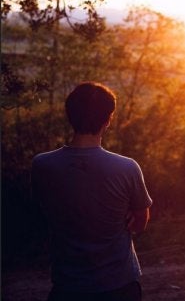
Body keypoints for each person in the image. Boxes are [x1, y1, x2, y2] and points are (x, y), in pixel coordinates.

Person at [31, 82, 153, 301]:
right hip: (119, 285)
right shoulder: (127, 167)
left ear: (69, 116)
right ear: (108, 120)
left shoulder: (42, 165)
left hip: (68, 285)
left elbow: (43, 214)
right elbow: (140, 223)